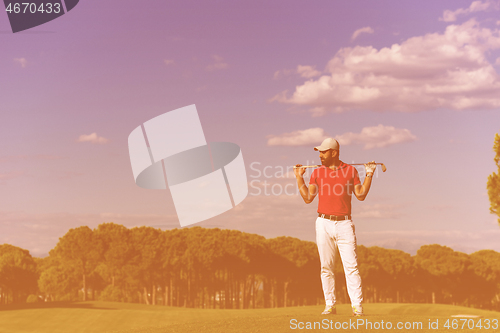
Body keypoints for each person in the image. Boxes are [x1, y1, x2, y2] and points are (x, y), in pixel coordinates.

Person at [294, 138, 376, 316]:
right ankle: (330, 305)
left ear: (334, 152)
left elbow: (360, 195)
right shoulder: (316, 172)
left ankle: (357, 307)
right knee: (326, 267)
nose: (320, 155)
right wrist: (299, 178)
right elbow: (308, 197)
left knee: (351, 267)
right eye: (319, 152)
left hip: (345, 224)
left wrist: (369, 174)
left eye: (324, 152)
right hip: (323, 223)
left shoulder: (350, 170)